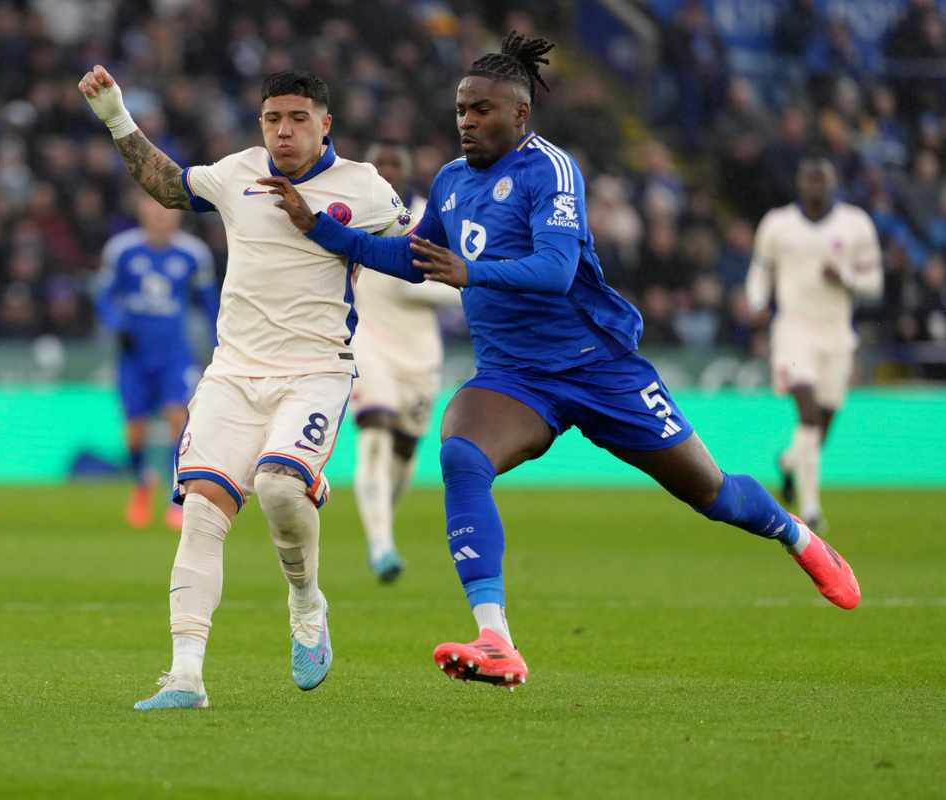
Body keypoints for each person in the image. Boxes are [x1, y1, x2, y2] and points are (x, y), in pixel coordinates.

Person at [260, 32, 861, 692]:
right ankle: (495, 638)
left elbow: (554, 270)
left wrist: (472, 272)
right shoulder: (453, 182)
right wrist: (324, 232)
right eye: (461, 109)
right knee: (460, 453)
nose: (466, 121)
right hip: (515, 379)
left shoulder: (551, 169)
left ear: (520, 115)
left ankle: (795, 533)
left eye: (482, 110)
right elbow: (414, 258)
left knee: (712, 495)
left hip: (598, 367)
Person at [80, 65, 410, 708]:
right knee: (202, 510)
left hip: (316, 370)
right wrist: (117, 117)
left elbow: (412, 258)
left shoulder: (363, 188)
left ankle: (306, 602)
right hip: (232, 372)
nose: (283, 132)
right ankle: (185, 677)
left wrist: (326, 230)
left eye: (297, 119)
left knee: (282, 487)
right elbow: (169, 187)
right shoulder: (239, 173)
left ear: (325, 123)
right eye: (272, 119)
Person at [745, 157, 883, 532]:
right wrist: (757, 301)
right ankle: (811, 509)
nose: (815, 187)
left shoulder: (855, 224)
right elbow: (761, 269)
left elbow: (875, 282)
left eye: (822, 180)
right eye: (810, 180)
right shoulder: (778, 225)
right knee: (807, 412)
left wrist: (847, 276)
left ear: (833, 183)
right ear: (800, 184)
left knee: (825, 417)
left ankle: (790, 462)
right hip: (793, 330)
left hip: (837, 333)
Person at [352, 141, 461, 582]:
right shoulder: (350, 218)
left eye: (396, 165)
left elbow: (458, 289)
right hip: (367, 345)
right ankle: (381, 546)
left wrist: (410, 281)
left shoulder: (430, 224)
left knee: (403, 453)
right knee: (374, 439)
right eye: (381, 166)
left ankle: (384, 525)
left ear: (408, 171)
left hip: (419, 356)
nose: (388, 172)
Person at [94, 194, 219, 531]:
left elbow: (210, 305)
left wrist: (222, 345)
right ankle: (142, 483)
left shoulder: (193, 254)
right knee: (135, 432)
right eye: (153, 208)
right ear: (142, 211)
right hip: (134, 356)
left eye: (167, 210)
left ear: (177, 215)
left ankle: (175, 497)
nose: (161, 216)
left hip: (174, 355)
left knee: (178, 420)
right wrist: (117, 325)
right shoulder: (121, 251)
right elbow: (104, 295)